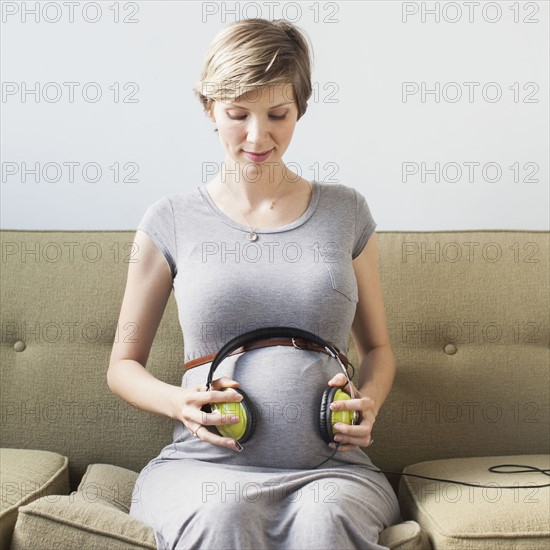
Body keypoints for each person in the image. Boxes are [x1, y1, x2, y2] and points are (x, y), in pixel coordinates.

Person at [108, 17, 402, 549]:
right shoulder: (169, 219)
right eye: (237, 114)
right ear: (209, 109)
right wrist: (179, 403)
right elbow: (122, 368)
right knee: (222, 514)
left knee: (325, 518)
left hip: (332, 471)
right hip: (203, 469)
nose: (257, 136)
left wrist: (370, 402)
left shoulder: (346, 212)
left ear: (301, 108)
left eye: (278, 115)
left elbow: (379, 349)